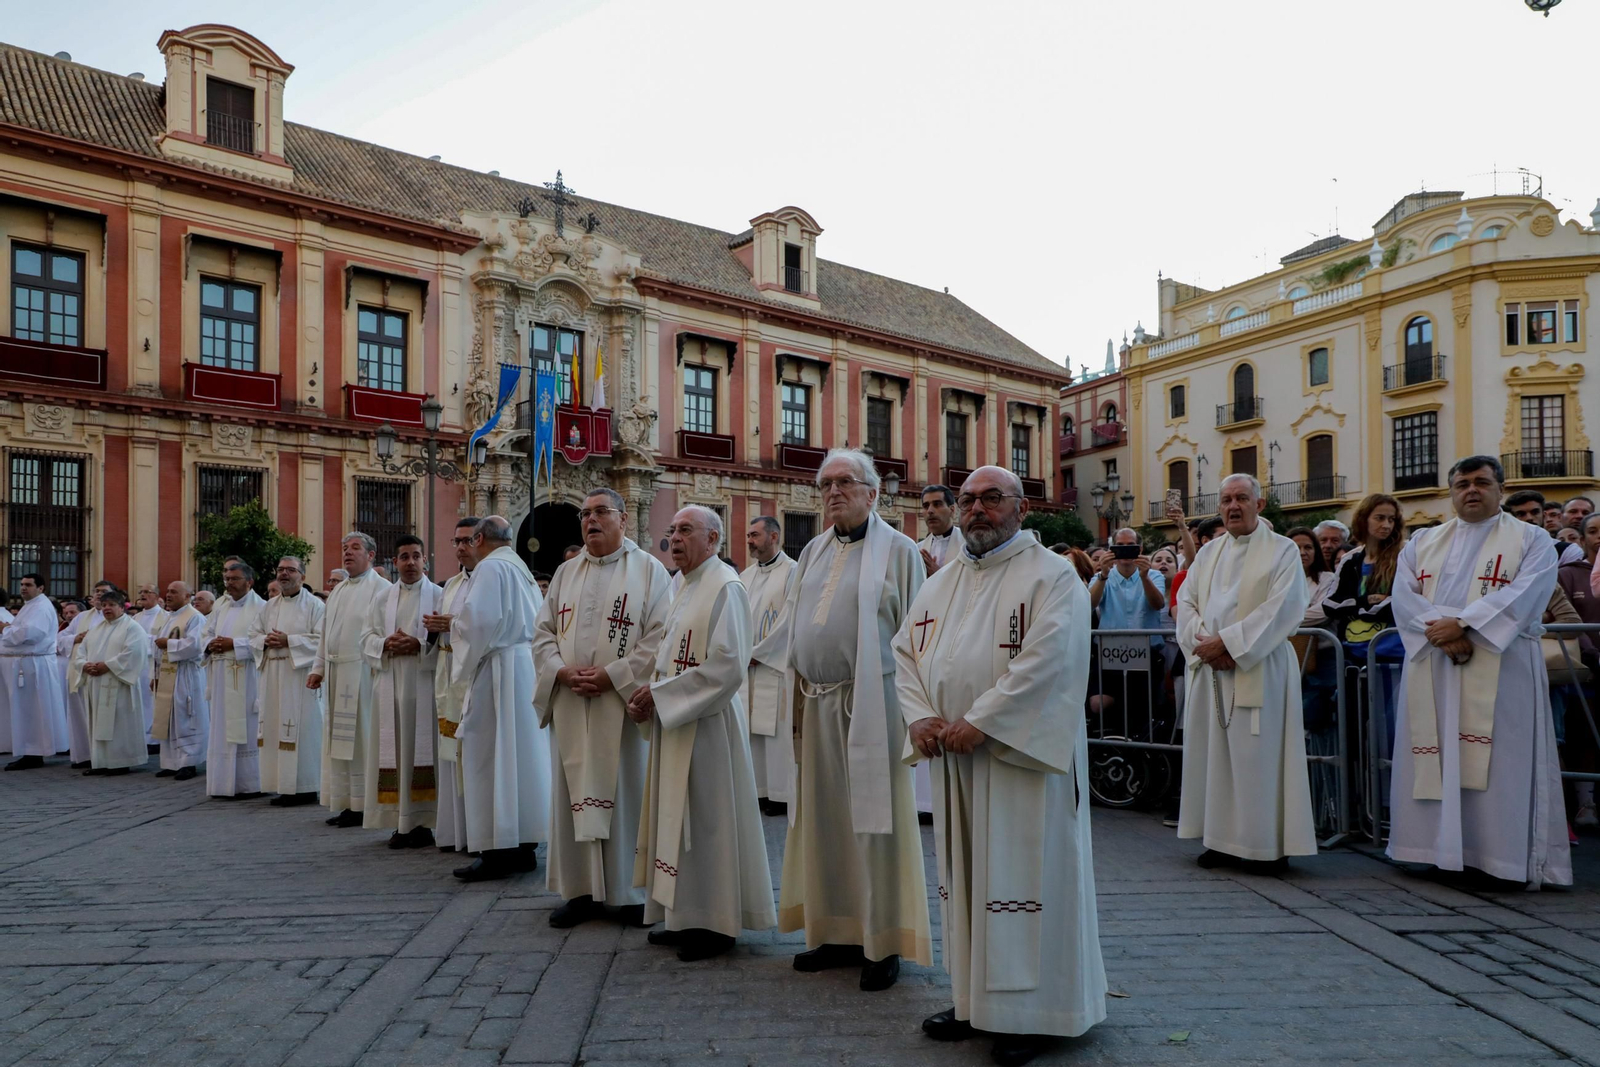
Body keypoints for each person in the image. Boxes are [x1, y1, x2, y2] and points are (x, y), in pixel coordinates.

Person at [897, 467, 1105, 1064]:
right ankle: (972, 1002)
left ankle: (1036, 1015)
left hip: (1020, 759)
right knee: (966, 882)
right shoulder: (941, 583)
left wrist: (981, 720)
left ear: (1021, 507)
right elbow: (904, 653)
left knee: (1026, 879)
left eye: (992, 499)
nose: (977, 510)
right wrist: (919, 716)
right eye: (968, 500)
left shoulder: (1051, 577)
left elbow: (1049, 661)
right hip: (956, 761)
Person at [778, 447, 931, 992]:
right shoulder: (815, 549)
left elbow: (920, 637)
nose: (834, 492)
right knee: (823, 821)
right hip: (815, 703)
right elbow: (794, 627)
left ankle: (883, 940)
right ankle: (836, 930)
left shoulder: (901, 551)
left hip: (873, 705)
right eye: (825, 484)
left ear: (872, 492)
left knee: (876, 823)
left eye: (846, 482)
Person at [1388, 456, 1570, 888]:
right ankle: (1440, 850)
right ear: (1451, 492)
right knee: (1437, 757)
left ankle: (1500, 859)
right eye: (1462, 484)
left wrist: (1466, 624)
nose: (1471, 490)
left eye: (1481, 482)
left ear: (1499, 489)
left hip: (1501, 664)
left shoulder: (1532, 539)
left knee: (1500, 761)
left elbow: (1530, 591)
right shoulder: (1423, 541)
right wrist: (1443, 632)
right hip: (1435, 661)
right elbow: (1403, 594)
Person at [628, 506, 775, 962]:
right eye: (671, 530)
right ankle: (683, 914)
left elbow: (728, 665)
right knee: (677, 821)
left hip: (708, 726)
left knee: (707, 824)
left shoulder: (725, 587)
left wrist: (663, 696)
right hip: (678, 721)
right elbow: (670, 655)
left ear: (712, 539)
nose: (674, 538)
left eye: (685, 530)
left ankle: (715, 924)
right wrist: (650, 690)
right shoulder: (685, 586)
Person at [534, 490, 672, 919]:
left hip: (621, 704)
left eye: (600, 512)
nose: (590, 520)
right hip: (573, 701)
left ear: (623, 519)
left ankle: (627, 894)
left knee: (626, 792)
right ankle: (578, 892)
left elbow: (659, 637)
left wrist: (613, 675)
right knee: (571, 792)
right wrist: (561, 671)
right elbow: (541, 634)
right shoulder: (564, 573)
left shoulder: (650, 571)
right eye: (585, 514)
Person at [1176, 474, 1315, 873]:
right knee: (1214, 755)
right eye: (1225, 500)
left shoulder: (1282, 550)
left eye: (1241, 498)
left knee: (1259, 757)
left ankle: (1265, 846)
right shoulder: (1208, 553)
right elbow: (1186, 601)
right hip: (1212, 670)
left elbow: (1285, 607)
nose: (1233, 506)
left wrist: (1231, 644)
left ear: (1260, 503)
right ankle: (1220, 841)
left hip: (1261, 667)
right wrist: (1202, 643)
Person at [448, 516, 552, 880]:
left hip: (498, 671)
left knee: (491, 759)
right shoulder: (519, 566)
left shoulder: (490, 568)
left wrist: (452, 629)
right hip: (523, 668)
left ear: (478, 539)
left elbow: (477, 624)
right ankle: (523, 848)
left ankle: (496, 852)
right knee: (521, 762)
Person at [360, 535, 441, 846]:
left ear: (425, 560)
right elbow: (366, 636)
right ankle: (401, 821)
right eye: (404, 557)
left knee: (424, 750)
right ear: (395, 563)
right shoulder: (382, 599)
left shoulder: (439, 596)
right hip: (390, 684)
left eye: (416, 556)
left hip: (425, 685)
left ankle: (427, 821)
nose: (410, 562)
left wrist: (418, 644)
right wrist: (385, 643)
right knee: (392, 751)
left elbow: (446, 639)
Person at [309, 533, 392, 827]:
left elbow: (384, 632)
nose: (348, 553)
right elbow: (325, 634)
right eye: (345, 548)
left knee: (362, 741)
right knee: (338, 742)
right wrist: (317, 668)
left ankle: (365, 803)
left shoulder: (382, 589)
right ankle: (347, 802)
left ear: (371, 555)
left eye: (355, 548)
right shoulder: (340, 589)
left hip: (363, 676)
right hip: (335, 673)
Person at [250, 556, 325, 806]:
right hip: (272, 674)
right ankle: (281, 785)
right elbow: (253, 634)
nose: (284, 574)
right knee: (273, 728)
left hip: (300, 676)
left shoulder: (315, 606)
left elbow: (322, 640)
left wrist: (289, 641)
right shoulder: (268, 606)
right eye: (280, 570)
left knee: (302, 730)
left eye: (290, 570)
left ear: (302, 576)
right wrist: (264, 642)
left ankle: (305, 787)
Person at [426, 518, 481, 852]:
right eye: (456, 541)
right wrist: (435, 627)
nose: (461, 547)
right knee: (449, 754)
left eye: (467, 540)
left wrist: (452, 624)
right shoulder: (451, 585)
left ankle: (475, 830)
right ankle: (452, 830)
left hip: (473, 673)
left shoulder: (490, 580)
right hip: (448, 670)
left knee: (470, 753)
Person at [739, 515, 797, 815]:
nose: (749, 541)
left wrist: (758, 653)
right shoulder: (745, 577)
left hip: (773, 667)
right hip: (746, 667)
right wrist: (739, 651)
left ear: (774, 537)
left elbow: (790, 620)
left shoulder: (793, 572)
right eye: (749, 536)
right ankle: (757, 790)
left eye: (755, 535)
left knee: (774, 731)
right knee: (750, 730)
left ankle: (778, 793)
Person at [1087, 528, 1166, 735]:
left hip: (1146, 654)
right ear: (1111, 550)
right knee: (1098, 703)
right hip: (1109, 654)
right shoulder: (1101, 577)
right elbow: (1089, 604)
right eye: (1118, 547)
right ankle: (1112, 742)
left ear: (1139, 549)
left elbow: (1158, 604)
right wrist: (1103, 575)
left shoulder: (1154, 575)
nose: (1124, 551)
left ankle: (1135, 749)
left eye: (1129, 546)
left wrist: (1145, 577)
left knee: (1141, 707)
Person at [201, 561, 265, 799]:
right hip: (220, 674)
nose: (229, 583)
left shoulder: (262, 607)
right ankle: (221, 784)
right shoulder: (221, 606)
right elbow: (205, 633)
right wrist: (211, 644)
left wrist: (234, 644)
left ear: (249, 581)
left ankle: (250, 784)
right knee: (221, 727)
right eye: (226, 578)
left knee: (247, 727)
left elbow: (263, 641)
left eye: (235, 578)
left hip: (246, 675)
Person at [73, 588, 151, 776]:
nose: (107, 608)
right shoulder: (96, 629)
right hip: (96, 683)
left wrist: (108, 665)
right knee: (97, 723)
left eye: (112, 605)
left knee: (118, 723)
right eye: (104, 605)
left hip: (118, 683)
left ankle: (120, 762)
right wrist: (85, 665)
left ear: (121, 608)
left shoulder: (132, 627)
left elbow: (134, 653)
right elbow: (80, 651)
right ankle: (100, 762)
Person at [0, 574, 68, 770]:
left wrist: (5, 630)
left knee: (33, 709)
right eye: (21, 585)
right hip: (27, 664)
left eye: (28, 585)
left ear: (41, 588)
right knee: (27, 709)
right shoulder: (31, 606)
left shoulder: (40, 607)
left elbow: (30, 634)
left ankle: (35, 752)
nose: (23, 588)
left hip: (33, 665)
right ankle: (30, 749)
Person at [1323, 495, 1405, 648]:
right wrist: (1366, 600)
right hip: (1353, 649)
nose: (1386, 525)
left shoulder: (1404, 556)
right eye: (1379, 518)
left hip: (1395, 649)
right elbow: (1330, 605)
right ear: (1363, 519)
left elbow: (1402, 603)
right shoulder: (1350, 560)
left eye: (1391, 519)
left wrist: (1355, 609)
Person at [151, 581, 209, 781]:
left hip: (186, 675)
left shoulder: (195, 617)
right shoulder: (169, 618)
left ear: (187, 596)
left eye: (174, 592)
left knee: (186, 718)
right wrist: (156, 676)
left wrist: (169, 643)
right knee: (169, 719)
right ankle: (171, 762)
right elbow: (157, 649)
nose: (168, 595)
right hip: (167, 674)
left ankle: (188, 762)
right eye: (167, 591)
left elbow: (196, 646)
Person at [63, 581, 114, 768]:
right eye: (96, 591)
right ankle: (83, 755)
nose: (99, 595)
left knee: (100, 715)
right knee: (79, 715)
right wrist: (75, 638)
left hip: (102, 672)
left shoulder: (116, 617)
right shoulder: (81, 617)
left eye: (104, 592)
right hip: (79, 670)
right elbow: (61, 637)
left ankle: (102, 757)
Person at [131, 583, 165, 749]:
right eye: (141, 592)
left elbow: (162, 639)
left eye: (147, 592)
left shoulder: (165, 616)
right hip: (138, 664)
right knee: (139, 700)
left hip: (154, 664)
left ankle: (153, 739)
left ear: (157, 596)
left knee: (152, 701)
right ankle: (140, 736)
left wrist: (143, 639)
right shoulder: (135, 617)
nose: (143, 595)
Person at [916, 484, 960, 576]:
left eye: (937, 504)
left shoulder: (968, 545)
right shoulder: (918, 549)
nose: (930, 511)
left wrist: (938, 575)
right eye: (926, 506)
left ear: (952, 510)